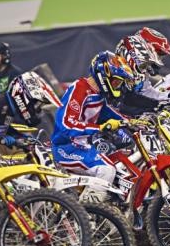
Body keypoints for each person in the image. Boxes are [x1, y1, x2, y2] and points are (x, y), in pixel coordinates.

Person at [51, 52, 135, 184]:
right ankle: (92, 199)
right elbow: (66, 124)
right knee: (107, 170)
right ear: (104, 75)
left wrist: (133, 122)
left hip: (83, 146)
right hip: (65, 147)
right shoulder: (79, 88)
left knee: (120, 163)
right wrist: (100, 127)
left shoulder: (98, 94)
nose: (117, 86)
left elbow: (109, 113)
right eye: (116, 82)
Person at [0, 71, 60, 145]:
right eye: (37, 105)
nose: (37, 110)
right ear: (25, 96)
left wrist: (20, 138)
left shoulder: (10, 110)